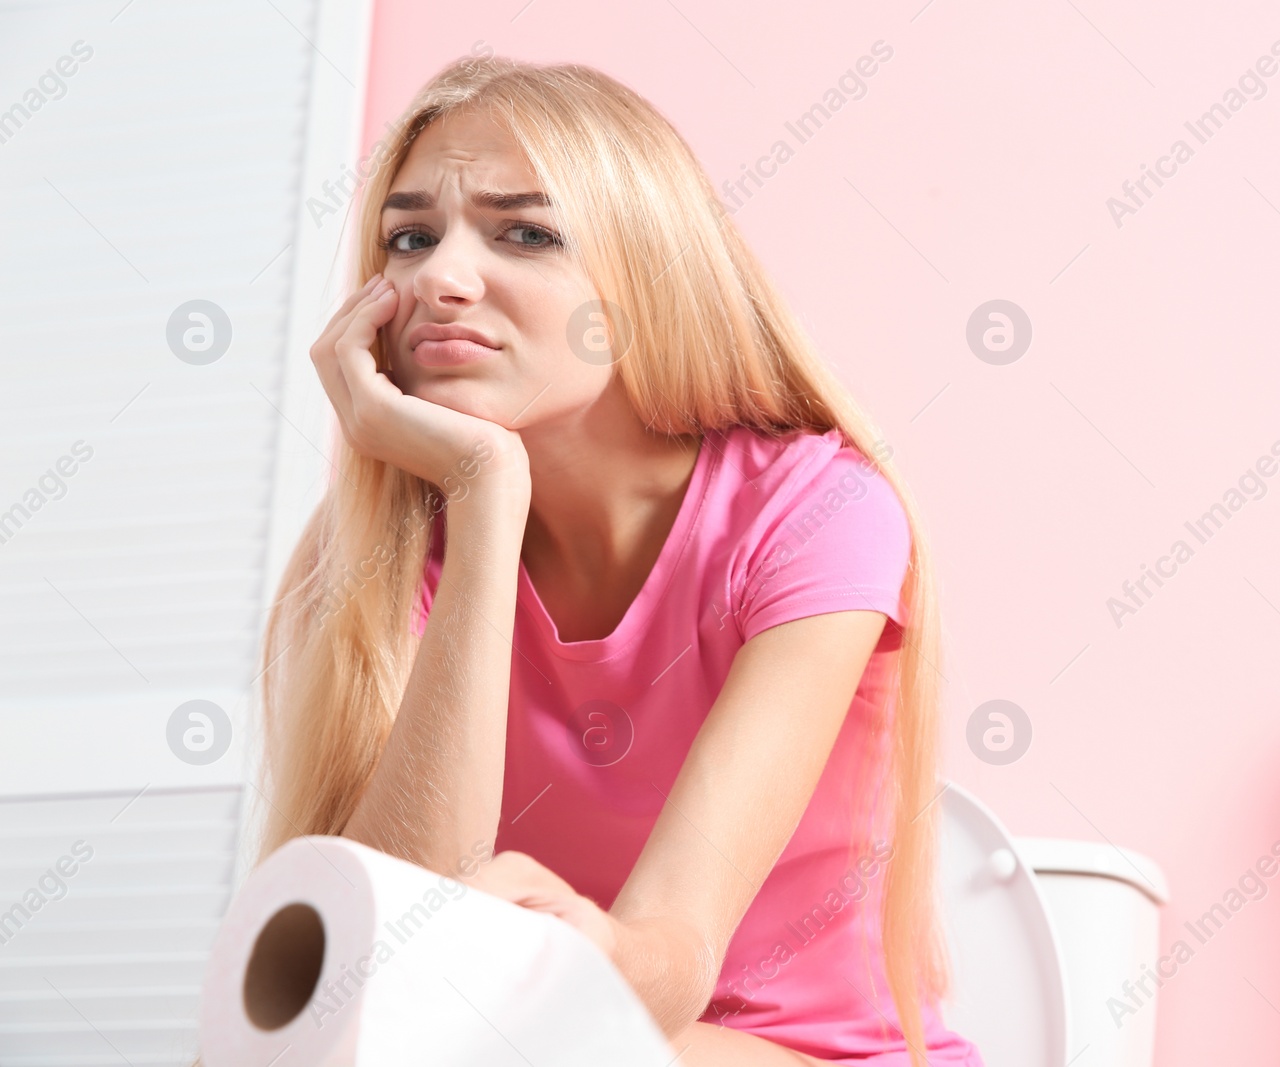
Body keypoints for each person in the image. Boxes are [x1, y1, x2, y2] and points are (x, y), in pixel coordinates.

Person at [258, 55, 982, 1066]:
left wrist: (578, 956)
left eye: (526, 232)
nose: (438, 280)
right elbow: (384, 983)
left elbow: (674, 955)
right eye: (410, 238)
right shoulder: (378, 553)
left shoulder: (815, 513)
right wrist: (480, 498)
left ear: (646, 274)